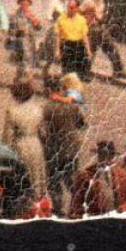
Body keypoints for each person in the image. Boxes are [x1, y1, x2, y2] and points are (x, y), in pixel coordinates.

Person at [40, 75, 86, 213]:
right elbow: (82, 124)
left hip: (55, 150)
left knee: (54, 181)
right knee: (70, 178)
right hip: (72, 148)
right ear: (61, 90)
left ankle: (59, 209)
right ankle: (78, 204)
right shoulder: (72, 106)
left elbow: (42, 130)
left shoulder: (47, 108)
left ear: (49, 91)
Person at [0, 78, 48, 206]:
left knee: (22, 179)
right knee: (36, 178)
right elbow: (44, 133)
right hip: (35, 144)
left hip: (20, 145)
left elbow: (7, 137)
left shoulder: (12, 111)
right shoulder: (38, 109)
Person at [69, 140, 126, 218]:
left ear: (113, 156)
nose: (105, 158)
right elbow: (76, 203)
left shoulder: (122, 175)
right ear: (98, 155)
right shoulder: (85, 175)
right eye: (102, 154)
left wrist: (125, 207)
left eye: (109, 155)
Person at [81, 0, 126, 81]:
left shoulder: (102, 2)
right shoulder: (87, 1)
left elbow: (100, 16)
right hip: (90, 28)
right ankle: (85, 73)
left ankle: (118, 71)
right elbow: (80, 13)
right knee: (91, 50)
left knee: (111, 47)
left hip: (100, 27)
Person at [55, 0, 92, 79]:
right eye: (69, 7)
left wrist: (88, 50)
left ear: (76, 8)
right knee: (67, 70)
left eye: (72, 7)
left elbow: (85, 36)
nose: (70, 9)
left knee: (78, 70)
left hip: (78, 45)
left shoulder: (82, 20)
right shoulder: (61, 19)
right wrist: (57, 50)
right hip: (66, 45)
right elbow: (57, 36)